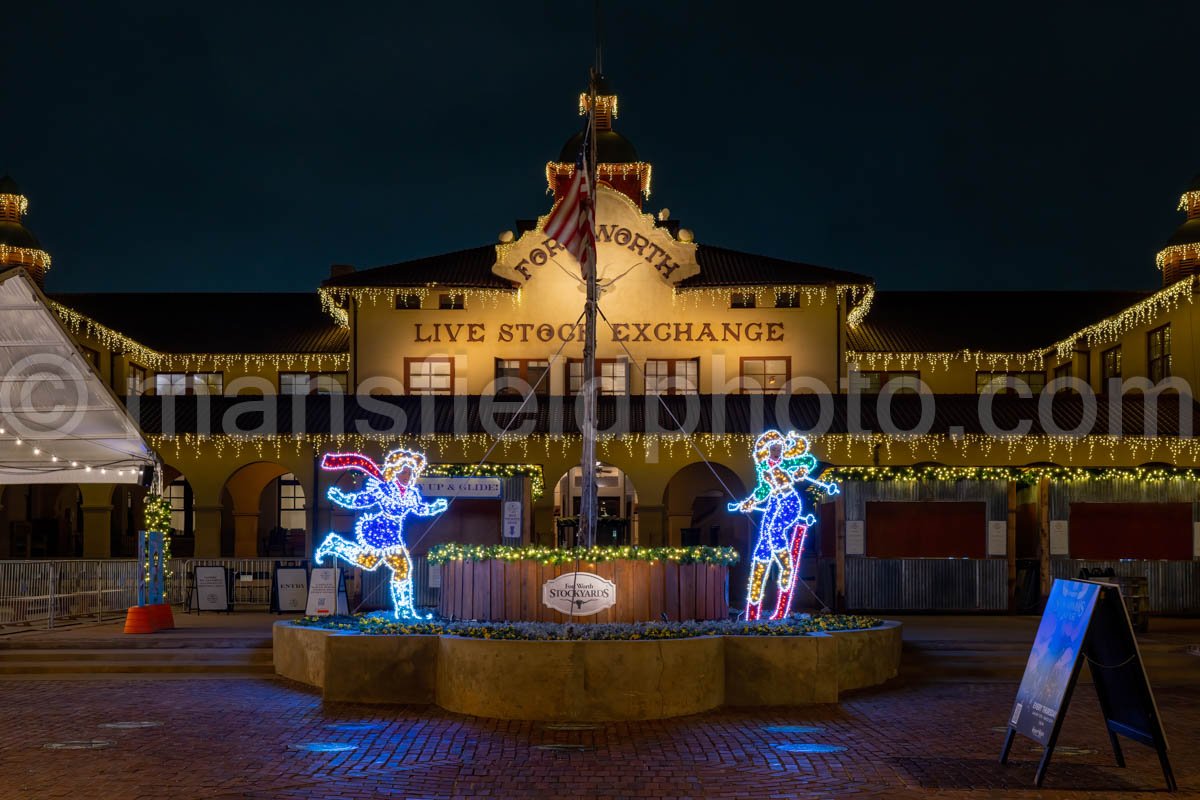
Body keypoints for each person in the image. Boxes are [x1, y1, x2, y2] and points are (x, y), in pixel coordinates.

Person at [315, 448, 447, 619]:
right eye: (404, 471)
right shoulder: (383, 489)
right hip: (378, 530)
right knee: (397, 567)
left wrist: (435, 508)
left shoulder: (412, 494)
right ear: (395, 471)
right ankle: (405, 611)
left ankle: (336, 545)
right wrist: (340, 498)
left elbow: (420, 509)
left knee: (377, 564)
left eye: (410, 472)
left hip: (393, 534)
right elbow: (361, 500)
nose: (407, 475)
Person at [729, 430, 837, 620]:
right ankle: (754, 600)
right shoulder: (763, 468)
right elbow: (763, 490)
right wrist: (750, 502)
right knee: (763, 546)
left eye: (779, 448)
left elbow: (809, 461)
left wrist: (803, 469)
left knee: (774, 530)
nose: (777, 451)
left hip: (789, 501)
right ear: (766, 450)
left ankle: (786, 567)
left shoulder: (786, 462)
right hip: (773, 503)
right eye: (773, 448)